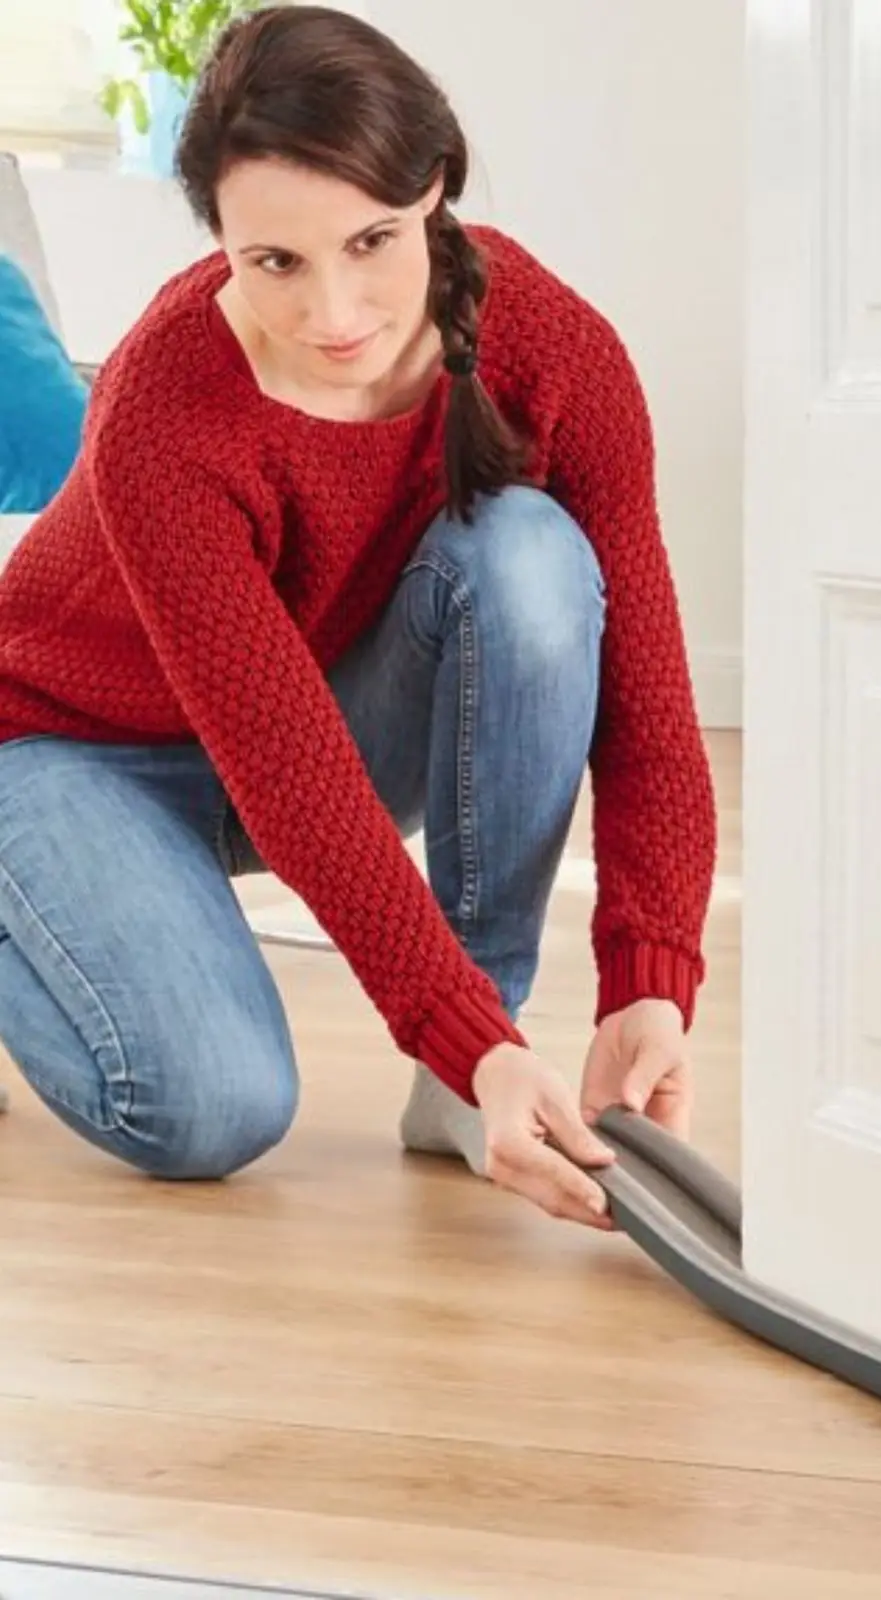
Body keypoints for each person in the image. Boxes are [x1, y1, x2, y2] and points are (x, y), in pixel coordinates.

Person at [0, 4, 716, 1230]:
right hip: (69, 744)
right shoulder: (163, 408)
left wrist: (650, 979)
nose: (334, 312)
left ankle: (461, 1080)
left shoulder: (556, 350)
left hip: (315, 712)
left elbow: (647, 694)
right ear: (218, 239)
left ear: (434, 191)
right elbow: (287, 768)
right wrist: (460, 1024)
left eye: (372, 241)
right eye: (274, 261)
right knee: (209, 1110)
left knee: (531, 559)